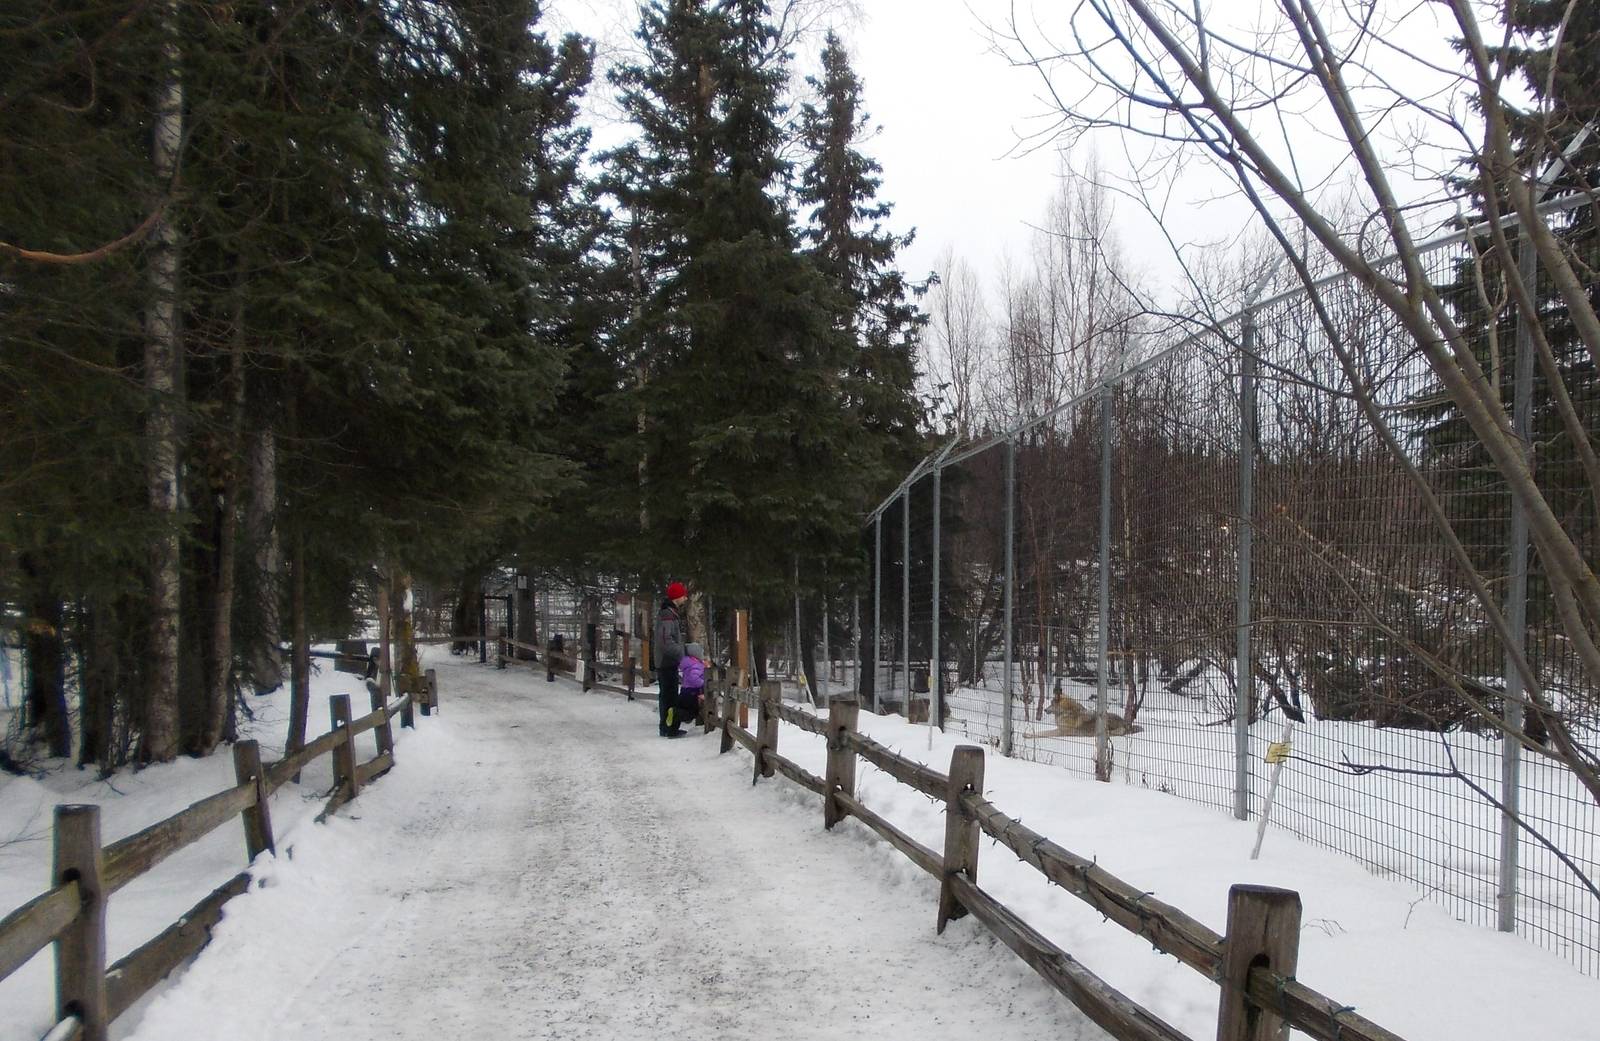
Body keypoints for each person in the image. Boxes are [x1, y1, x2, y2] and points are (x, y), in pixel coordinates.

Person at [654, 581, 690, 737]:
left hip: (668, 661)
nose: (686, 598)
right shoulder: (668, 616)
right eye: (683, 595)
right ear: (677, 597)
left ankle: (669, 726)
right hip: (666, 662)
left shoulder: (670, 614)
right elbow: (665, 642)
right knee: (669, 696)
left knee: (669, 695)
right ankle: (668, 728)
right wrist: (682, 653)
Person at [677, 642, 707, 728]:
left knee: (685, 707)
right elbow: (693, 678)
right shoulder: (695, 664)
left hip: (685, 690)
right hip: (692, 691)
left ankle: (676, 712)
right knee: (692, 711)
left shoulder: (689, 663)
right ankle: (677, 714)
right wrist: (703, 682)